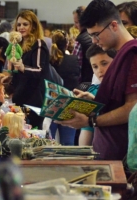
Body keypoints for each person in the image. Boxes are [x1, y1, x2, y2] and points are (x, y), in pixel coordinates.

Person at [55, 0, 137, 160]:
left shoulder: (132, 55)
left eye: (95, 34)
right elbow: (119, 101)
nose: (93, 41)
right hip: (108, 151)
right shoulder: (120, 54)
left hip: (121, 156)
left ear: (114, 26)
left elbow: (132, 109)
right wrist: (93, 101)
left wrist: (91, 120)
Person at [11, 10, 50, 129]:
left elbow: (39, 70)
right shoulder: (18, 45)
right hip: (21, 96)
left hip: (33, 99)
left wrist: (23, 68)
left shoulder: (38, 44)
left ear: (33, 26)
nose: (21, 27)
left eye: (25, 24)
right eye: (19, 24)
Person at [77, 44, 116, 146]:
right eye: (95, 67)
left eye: (104, 63)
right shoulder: (93, 91)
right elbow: (86, 132)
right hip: (100, 152)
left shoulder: (126, 89)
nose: (100, 70)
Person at [48, 29, 80, 145]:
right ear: (67, 44)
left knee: (49, 142)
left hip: (51, 102)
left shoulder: (48, 61)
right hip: (69, 103)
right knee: (68, 143)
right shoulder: (74, 60)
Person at [72, 6, 93, 82]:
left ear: (84, 21)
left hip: (84, 83)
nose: (75, 26)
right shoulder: (96, 36)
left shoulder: (80, 40)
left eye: (76, 22)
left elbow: (75, 67)